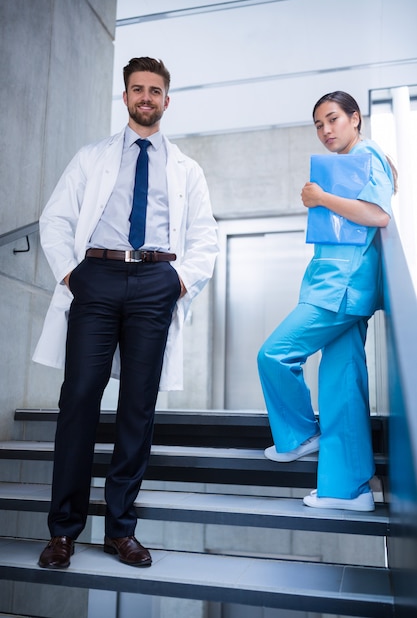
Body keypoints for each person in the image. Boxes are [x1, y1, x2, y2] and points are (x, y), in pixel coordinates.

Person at [33, 57, 218, 569]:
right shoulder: (92, 157)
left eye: (155, 90)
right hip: (97, 279)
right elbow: (57, 218)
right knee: (79, 401)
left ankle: (120, 529)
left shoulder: (186, 168)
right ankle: (63, 533)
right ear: (125, 96)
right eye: (137, 89)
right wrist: (73, 274)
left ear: (166, 99)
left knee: (138, 408)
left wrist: (177, 282)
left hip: (155, 282)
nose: (146, 97)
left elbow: (205, 235)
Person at [257, 91, 396, 512]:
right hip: (340, 288)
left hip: (341, 289)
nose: (325, 130)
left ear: (355, 119)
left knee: (274, 355)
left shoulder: (366, 153)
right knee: (341, 386)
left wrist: (320, 198)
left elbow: (378, 215)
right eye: (318, 124)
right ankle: (349, 489)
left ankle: (300, 435)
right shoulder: (355, 161)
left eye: (333, 119)